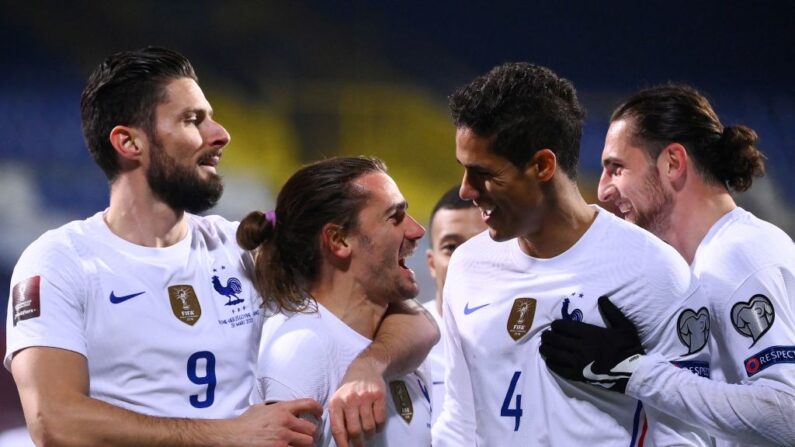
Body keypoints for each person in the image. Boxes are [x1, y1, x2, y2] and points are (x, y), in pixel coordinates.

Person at [5, 47, 438, 447]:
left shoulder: (241, 249)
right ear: (129, 142)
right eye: (193, 120)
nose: (221, 134)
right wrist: (226, 434)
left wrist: (371, 364)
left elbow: (406, 312)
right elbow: (54, 420)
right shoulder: (61, 261)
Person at [431, 62, 712, 446]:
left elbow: (689, 430)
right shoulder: (468, 266)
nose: (466, 190)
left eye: (483, 172)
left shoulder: (652, 270)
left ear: (542, 165)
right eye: (463, 169)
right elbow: (459, 420)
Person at [543, 84, 795, 446]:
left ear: (673, 163)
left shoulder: (740, 254)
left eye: (616, 168)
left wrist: (634, 370)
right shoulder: (694, 262)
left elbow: (786, 414)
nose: (602, 190)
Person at [240, 156, 433, 446]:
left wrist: (369, 366)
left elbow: (425, 325)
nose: (417, 230)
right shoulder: (302, 351)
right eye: (395, 217)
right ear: (339, 240)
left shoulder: (393, 339)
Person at [422, 185, 486, 424]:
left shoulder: (534, 338)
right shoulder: (398, 349)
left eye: (483, 244)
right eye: (452, 247)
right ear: (431, 263)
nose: (466, 260)